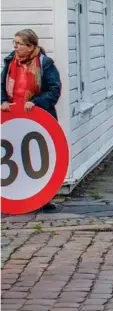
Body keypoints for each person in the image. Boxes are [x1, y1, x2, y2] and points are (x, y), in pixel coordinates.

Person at [2, 29, 62, 211]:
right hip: (13, 117)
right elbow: (0, 84)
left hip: (38, 117)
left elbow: (54, 89)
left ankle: (43, 197)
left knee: (41, 157)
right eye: (15, 42)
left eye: (19, 43)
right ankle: (17, 194)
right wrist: (3, 101)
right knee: (13, 155)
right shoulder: (10, 62)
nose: (15, 46)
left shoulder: (45, 64)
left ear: (30, 46)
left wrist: (35, 102)